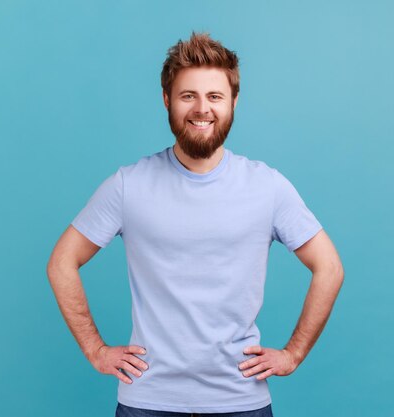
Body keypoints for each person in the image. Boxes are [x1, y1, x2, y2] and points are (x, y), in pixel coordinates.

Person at [46, 31, 344, 417]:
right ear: (167, 100)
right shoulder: (128, 185)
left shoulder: (267, 186)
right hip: (147, 402)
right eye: (189, 95)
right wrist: (95, 349)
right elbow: (61, 263)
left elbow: (329, 268)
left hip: (241, 401)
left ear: (234, 102)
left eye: (215, 96)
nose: (202, 109)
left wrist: (293, 353)